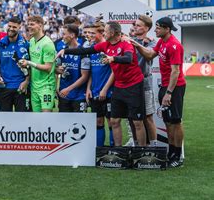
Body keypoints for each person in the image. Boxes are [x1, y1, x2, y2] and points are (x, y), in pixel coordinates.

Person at [58, 21, 147, 146]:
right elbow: (85, 50)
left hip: (134, 85)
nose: (104, 33)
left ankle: (141, 151)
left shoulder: (126, 44)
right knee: (114, 120)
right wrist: (66, 52)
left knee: (137, 121)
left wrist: (113, 58)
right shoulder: (105, 45)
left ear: (112, 32)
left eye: (105, 31)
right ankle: (117, 151)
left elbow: (128, 59)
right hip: (119, 86)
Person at [131, 17, 186, 167]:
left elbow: (176, 71)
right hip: (165, 86)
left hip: (175, 87)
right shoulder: (162, 42)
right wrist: (135, 43)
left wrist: (169, 93)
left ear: (167, 29)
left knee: (176, 121)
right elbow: (149, 55)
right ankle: (171, 152)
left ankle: (178, 156)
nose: (155, 30)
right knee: (168, 121)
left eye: (158, 27)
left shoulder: (175, 45)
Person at [18, 16, 56, 113]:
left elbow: (48, 68)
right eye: (28, 24)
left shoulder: (47, 43)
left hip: (46, 87)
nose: (29, 27)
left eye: (32, 24)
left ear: (40, 25)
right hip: (34, 86)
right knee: (37, 120)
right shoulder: (31, 41)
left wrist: (29, 63)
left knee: (46, 119)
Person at [85, 23, 114, 146]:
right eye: (88, 33)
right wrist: (88, 89)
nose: (89, 35)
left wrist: (105, 89)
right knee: (98, 121)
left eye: (92, 33)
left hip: (109, 92)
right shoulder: (92, 49)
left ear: (101, 33)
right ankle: (99, 150)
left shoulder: (108, 48)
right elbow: (91, 72)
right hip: (95, 91)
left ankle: (114, 148)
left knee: (112, 121)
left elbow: (114, 71)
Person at [0, 17, 30, 112]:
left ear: (19, 28)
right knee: (3, 119)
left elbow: (30, 66)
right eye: (9, 26)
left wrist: (26, 81)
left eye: (14, 27)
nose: (11, 29)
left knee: (22, 119)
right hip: (4, 87)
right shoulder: (0, 45)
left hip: (21, 87)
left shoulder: (26, 44)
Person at [132, 15, 158, 147]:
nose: (135, 27)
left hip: (145, 84)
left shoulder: (152, 42)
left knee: (148, 117)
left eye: (138, 25)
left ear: (146, 28)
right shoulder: (131, 40)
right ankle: (136, 144)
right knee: (133, 118)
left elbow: (149, 54)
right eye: (135, 24)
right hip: (130, 85)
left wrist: (136, 43)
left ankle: (153, 146)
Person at [56, 24, 90, 113]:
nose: (62, 37)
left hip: (79, 95)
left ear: (72, 35)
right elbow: (57, 69)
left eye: (64, 34)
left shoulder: (83, 52)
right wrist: (58, 70)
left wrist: (68, 89)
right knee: (64, 125)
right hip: (63, 94)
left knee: (81, 124)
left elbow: (85, 76)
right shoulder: (62, 51)